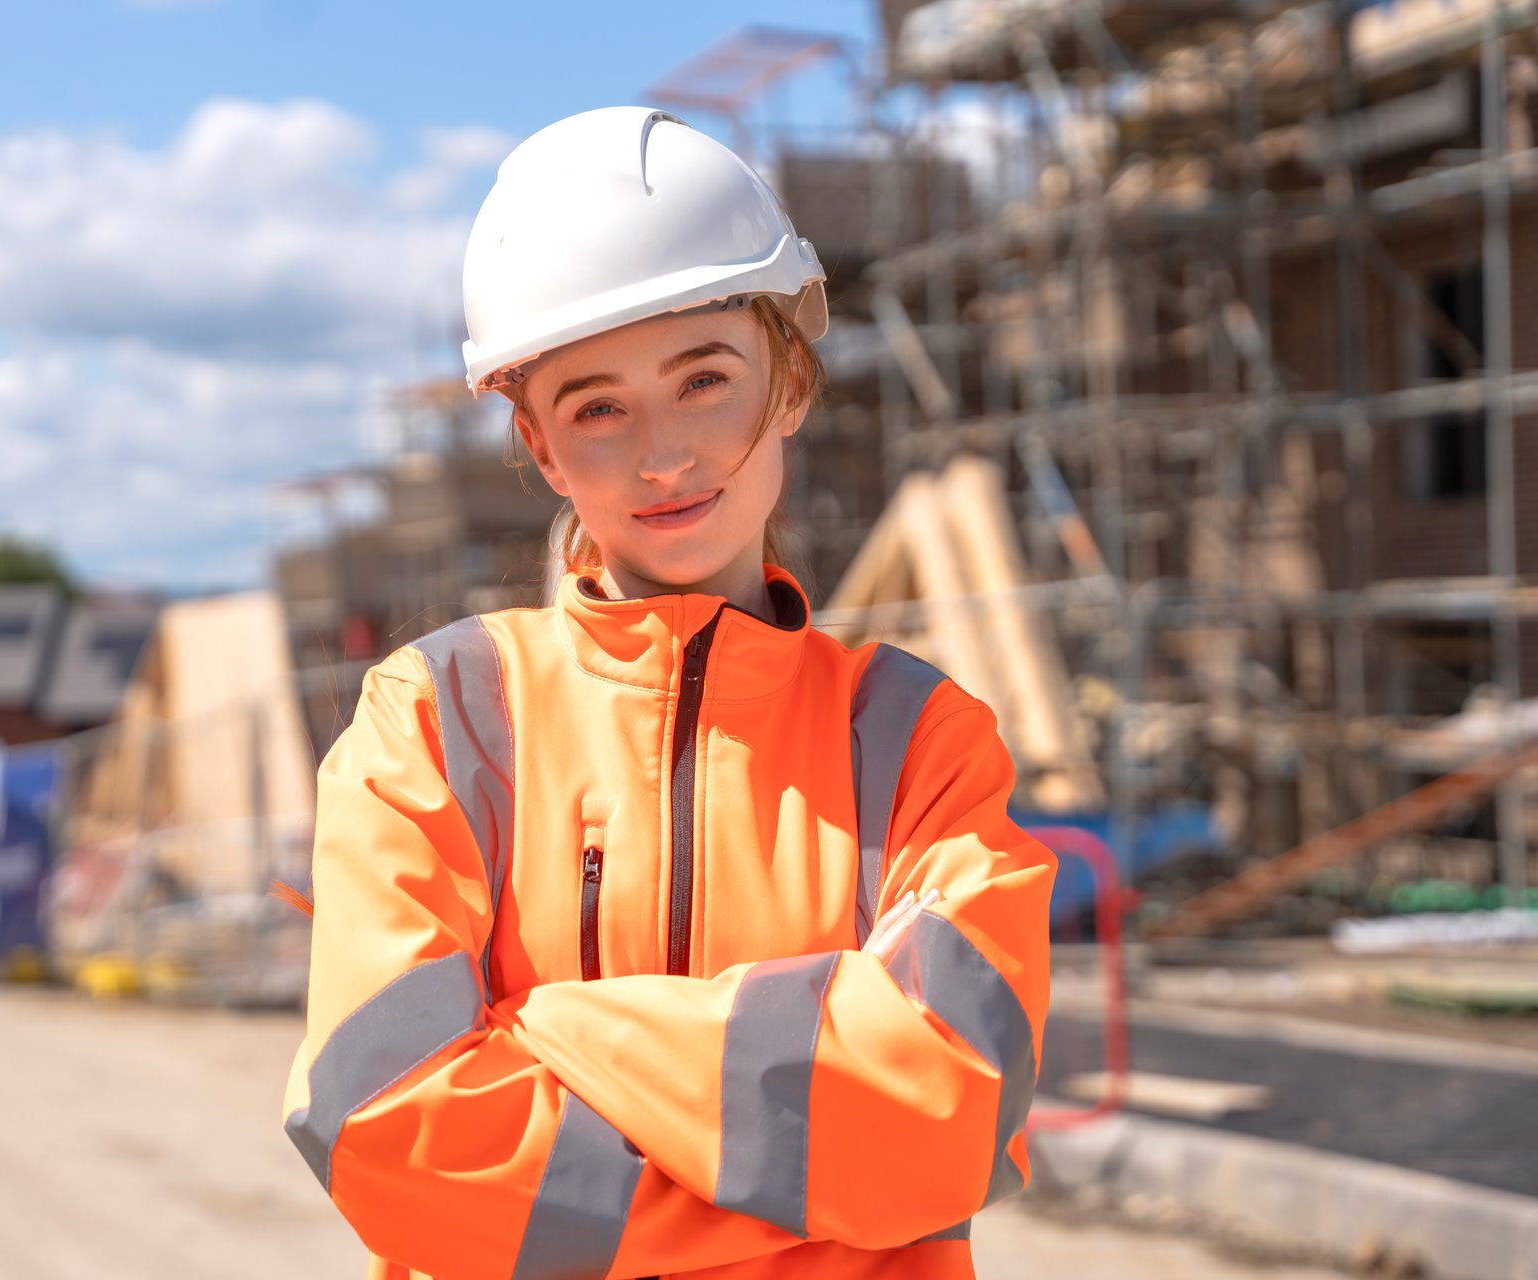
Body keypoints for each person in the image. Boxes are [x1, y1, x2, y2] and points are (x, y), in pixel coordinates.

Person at [283, 107, 1056, 1279]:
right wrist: (824, 1180)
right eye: (597, 407)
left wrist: (547, 1032)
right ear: (540, 444)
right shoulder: (439, 721)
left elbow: (953, 1111)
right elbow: (386, 1127)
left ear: (790, 382)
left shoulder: (922, 743)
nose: (662, 454)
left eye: (706, 379)